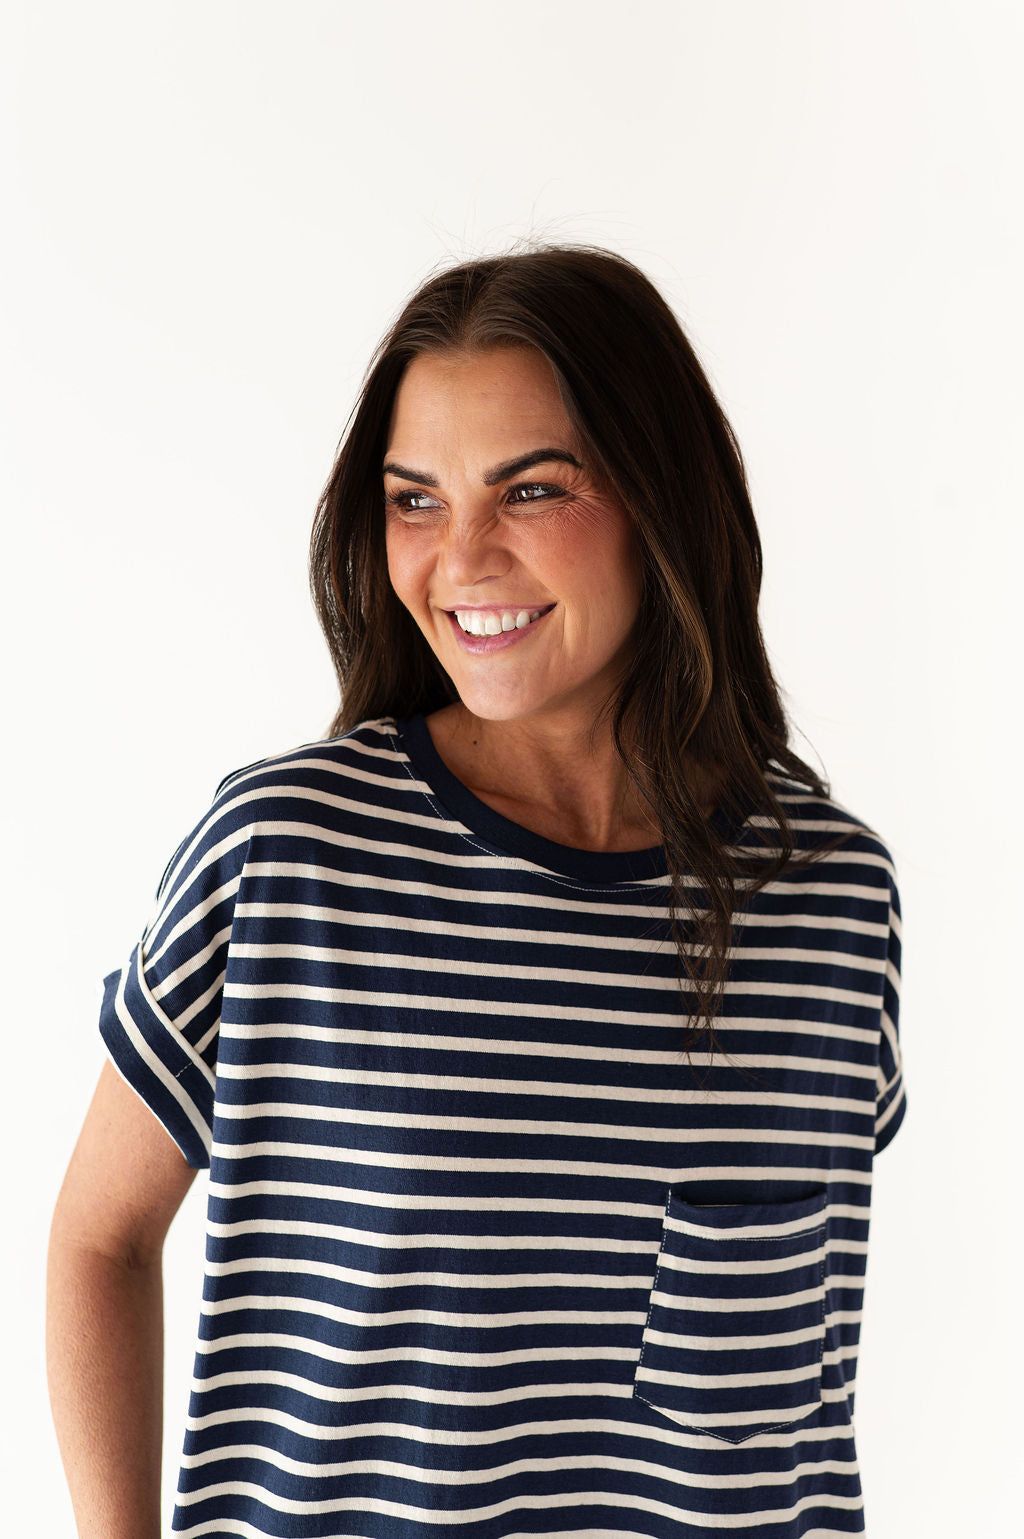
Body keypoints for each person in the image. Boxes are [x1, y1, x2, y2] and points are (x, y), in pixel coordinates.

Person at [46, 243, 907, 1539]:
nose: (460, 558)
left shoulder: (829, 898)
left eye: (532, 489)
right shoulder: (289, 858)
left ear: (663, 500)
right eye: (415, 500)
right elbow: (99, 1239)